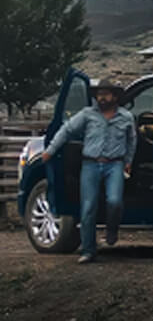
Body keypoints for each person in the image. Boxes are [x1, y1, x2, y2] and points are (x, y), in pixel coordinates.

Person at [40, 79, 135, 264]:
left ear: (115, 97)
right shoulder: (87, 114)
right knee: (88, 207)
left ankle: (112, 230)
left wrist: (128, 162)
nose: (102, 98)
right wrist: (50, 150)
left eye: (106, 94)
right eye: (99, 94)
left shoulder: (126, 117)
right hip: (90, 164)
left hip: (114, 164)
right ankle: (88, 250)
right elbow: (67, 130)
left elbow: (132, 140)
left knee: (114, 201)